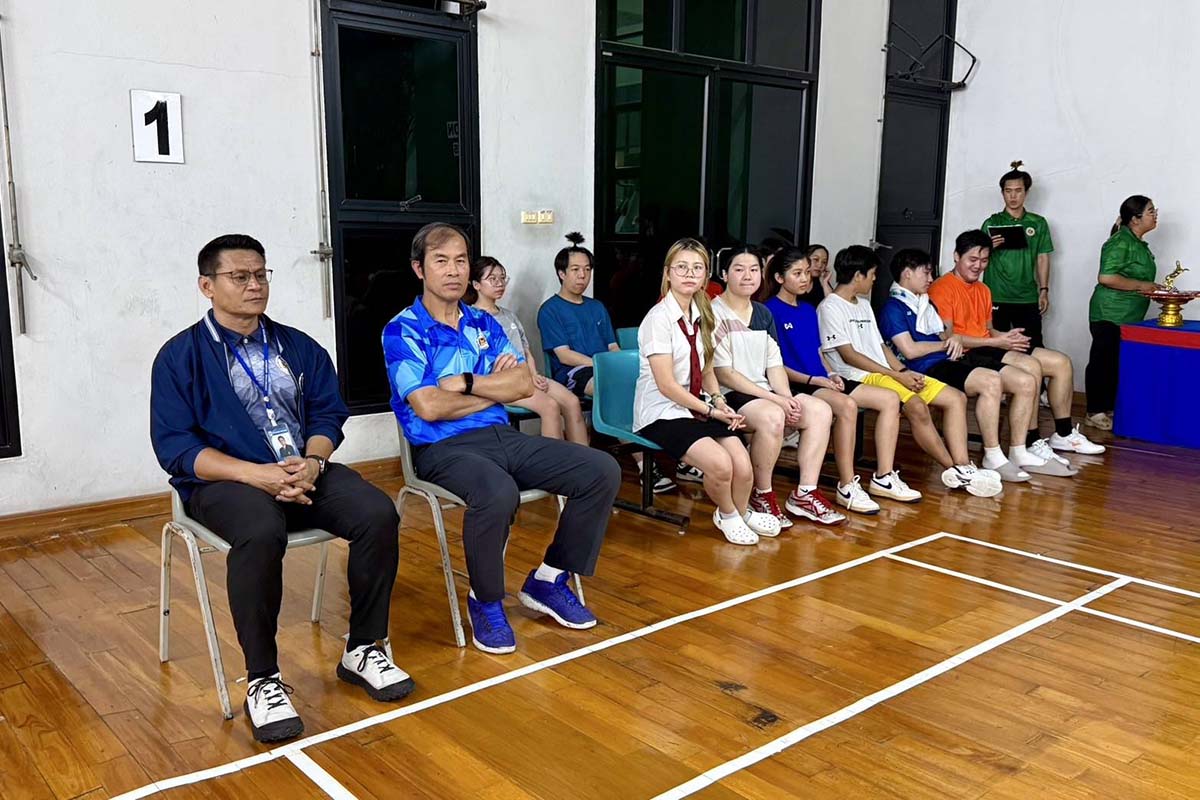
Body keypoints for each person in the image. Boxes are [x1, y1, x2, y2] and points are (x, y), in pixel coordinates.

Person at [151, 234, 412, 744]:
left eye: (260, 274)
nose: (254, 285)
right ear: (207, 286)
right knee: (260, 529)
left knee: (377, 512)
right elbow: (176, 447)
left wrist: (313, 463)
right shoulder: (180, 357)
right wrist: (256, 474)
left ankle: (363, 647)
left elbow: (328, 414)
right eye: (240, 276)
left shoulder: (298, 346)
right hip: (225, 481)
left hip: (302, 469)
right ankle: (263, 679)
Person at [384, 223, 621, 655]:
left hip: (501, 436)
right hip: (441, 449)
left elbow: (524, 384)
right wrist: (495, 388)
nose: (453, 270)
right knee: (498, 493)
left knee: (600, 469)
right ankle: (486, 599)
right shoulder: (403, 330)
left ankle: (549, 578)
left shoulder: (483, 322)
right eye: (441, 261)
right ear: (419, 269)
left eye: (460, 261)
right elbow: (429, 407)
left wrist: (467, 382)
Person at [818, 246, 1003, 498]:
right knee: (916, 405)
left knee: (955, 398)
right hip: (859, 375)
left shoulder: (863, 304)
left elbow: (881, 347)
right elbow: (849, 356)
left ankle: (963, 466)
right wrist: (897, 376)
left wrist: (903, 370)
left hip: (887, 371)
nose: (875, 279)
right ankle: (951, 470)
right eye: (872, 274)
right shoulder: (830, 307)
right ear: (858, 275)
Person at [633, 238, 783, 546]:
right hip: (662, 412)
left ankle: (741, 512)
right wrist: (710, 411)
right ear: (668, 273)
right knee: (721, 465)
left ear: (706, 275)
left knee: (743, 467)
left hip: (698, 406)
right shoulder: (657, 319)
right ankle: (727, 514)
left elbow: (707, 369)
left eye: (697, 268)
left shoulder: (701, 312)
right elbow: (666, 385)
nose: (690, 274)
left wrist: (719, 400)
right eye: (682, 267)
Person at [929, 230, 1106, 472]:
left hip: (988, 345)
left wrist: (1007, 337)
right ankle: (1030, 441)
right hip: (969, 353)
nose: (978, 266)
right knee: (1030, 368)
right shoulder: (942, 288)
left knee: (1061, 362)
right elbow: (951, 339)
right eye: (972, 259)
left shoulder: (983, 289)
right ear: (956, 256)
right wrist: (997, 342)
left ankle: (1063, 434)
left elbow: (988, 330)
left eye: (984, 260)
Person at [765, 246, 917, 513]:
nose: (805, 278)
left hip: (821, 380)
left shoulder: (808, 310)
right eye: (797, 273)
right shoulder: (769, 311)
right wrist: (815, 380)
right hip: (797, 383)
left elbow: (818, 352)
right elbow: (774, 365)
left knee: (890, 399)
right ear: (779, 278)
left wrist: (830, 373)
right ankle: (846, 485)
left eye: (806, 273)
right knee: (847, 406)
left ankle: (883, 477)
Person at [538, 232, 688, 492]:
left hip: (606, 367)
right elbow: (564, 355)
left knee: (654, 387)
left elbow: (613, 347)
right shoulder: (550, 310)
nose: (582, 276)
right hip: (576, 373)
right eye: (575, 270)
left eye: (587, 269)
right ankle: (645, 466)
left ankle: (681, 455)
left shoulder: (597, 307)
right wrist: (605, 367)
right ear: (561, 273)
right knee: (616, 391)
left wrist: (621, 368)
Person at [711, 245, 844, 527]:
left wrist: (786, 397)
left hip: (764, 392)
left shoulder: (762, 313)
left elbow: (774, 364)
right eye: (739, 269)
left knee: (819, 410)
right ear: (723, 274)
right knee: (773, 415)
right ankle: (762, 494)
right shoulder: (713, 313)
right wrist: (777, 401)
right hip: (728, 395)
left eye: (754, 269)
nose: (748, 276)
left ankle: (805, 494)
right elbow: (724, 373)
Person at [880, 248, 1033, 483]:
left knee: (1014, 379)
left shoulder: (925, 302)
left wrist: (952, 341)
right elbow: (909, 350)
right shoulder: (893, 308)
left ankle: (996, 455)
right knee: (990, 381)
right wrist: (946, 344)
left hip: (947, 359)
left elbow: (942, 335)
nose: (931, 279)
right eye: (926, 273)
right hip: (924, 367)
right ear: (907, 273)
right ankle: (991, 455)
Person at [468, 256, 588, 444]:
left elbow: (526, 351)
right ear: (476, 284)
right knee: (550, 406)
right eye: (492, 279)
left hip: (526, 376)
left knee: (572, 402)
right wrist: (521, 378)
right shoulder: (471, 319)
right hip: (500, 383)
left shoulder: (509, 316)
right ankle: (555, 461)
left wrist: (534, 375)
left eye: (502, 278)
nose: (499, 283)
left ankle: (582, 456)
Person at [1086, 196, 1160, 430]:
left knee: (1116, 363)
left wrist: (1152, 288)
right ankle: (1095, 411)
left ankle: (1109, 408)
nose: (1155, 215)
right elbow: (1106, 277)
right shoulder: (1120, 242)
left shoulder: (1137, 243)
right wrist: (1142, 285)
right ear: (1135, 219)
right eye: (1150, 211)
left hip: (1128, 317)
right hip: (1109, 313)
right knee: (1103, 362)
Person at [982, 161, 1055, 351]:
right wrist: (988, 247)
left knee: (1032, 347)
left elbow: (1042, 257)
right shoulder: (991, 222)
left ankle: (1035, 373)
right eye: (1008, 191)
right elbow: (975, 259)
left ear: (1026, 192)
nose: (1013, 196)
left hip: (1027, 296)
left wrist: (1044, 290)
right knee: (995, 349)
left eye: (1018, 191)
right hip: (995, 296)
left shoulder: (1038, 223)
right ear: (1002, 193)